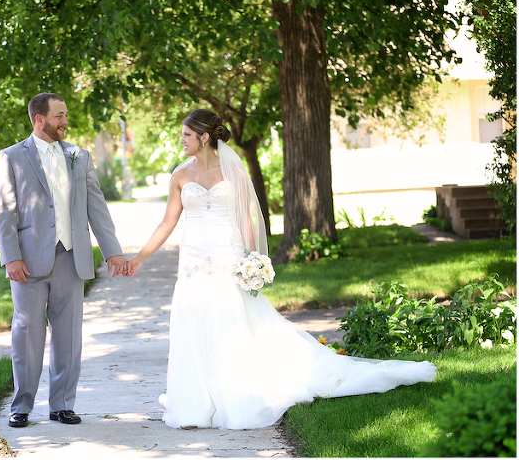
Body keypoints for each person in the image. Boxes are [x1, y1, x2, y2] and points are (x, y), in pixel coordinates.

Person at [125, 109, 437, 430]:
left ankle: (236, 393)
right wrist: (139, 258)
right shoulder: (180, 175)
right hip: (193, 263)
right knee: (195, 322)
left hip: (227, 256)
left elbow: (247, 218)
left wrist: (252, 260)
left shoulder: (232, 170)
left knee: (230, 323)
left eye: (187, 134)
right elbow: (167, 222)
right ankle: (197, 402)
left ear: (204, 137)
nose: (182, 140)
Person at [0, 92, 126, 428]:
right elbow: (5, 212)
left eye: (65, 115)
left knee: (69, 336)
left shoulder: (79, 156)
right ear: (39, 119)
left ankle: (62, 404)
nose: (65, 122)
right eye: (59, 116)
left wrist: (112, 249)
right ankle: (21, 406)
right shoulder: (11, 157)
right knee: (26, 333)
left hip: (72, 257)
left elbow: (96, 204)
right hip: (29, 261)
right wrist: (11, 257)